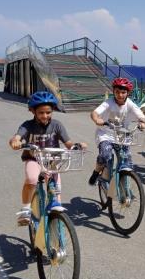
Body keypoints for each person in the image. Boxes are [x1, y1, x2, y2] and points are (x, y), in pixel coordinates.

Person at [9, 91, 87, 226]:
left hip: (52, 160)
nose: (45, 116)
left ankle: (56, 212)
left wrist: (77, 145)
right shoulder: (27, 125)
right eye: (41, 113)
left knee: (55, 185)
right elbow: (17, 137)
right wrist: (15, 142)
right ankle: (26, 209)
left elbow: (68, 143)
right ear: (33, 111)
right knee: (32, 179)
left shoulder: (57, 125)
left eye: (48, 112)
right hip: (33, 159)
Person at [88, 78, 145, 186]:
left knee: (127, 162)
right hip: (106, 135)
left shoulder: (130, 104)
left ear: (128, 93)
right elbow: (94, 113)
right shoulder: (108, 103)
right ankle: (96, 171)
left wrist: (142, 122)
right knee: (105, 156)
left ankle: (124, 190)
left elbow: (140, 115)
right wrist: (97, 119)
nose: (120, 95)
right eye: (117, 92)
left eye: (123, 92)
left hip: (122, 136)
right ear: (113, 92)